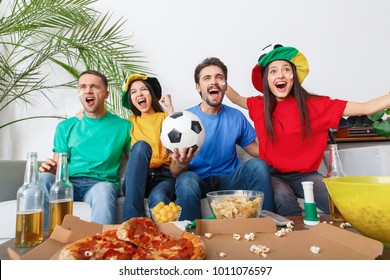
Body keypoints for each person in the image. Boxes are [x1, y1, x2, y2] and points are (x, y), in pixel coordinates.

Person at [226, 43, 390, 216]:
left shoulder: (316, 106)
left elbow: (367, 108)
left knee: (342, 206)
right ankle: (298, 239)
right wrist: (219, 82)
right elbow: (236, 98)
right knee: (282, 197)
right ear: (266, 79)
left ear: (294, 76)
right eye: (273, 71)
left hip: (306, 176)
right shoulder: (260, 105)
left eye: (286, 69)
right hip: (272, 175)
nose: (280, 75)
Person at [170, 57, 275, 221]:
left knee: (258, 165)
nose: (214, 82)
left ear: (225, 85)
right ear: (198, 87)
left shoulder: (236, 117)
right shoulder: (183, 120)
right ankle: (190, 237)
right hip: (198, 181)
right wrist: (180, 164)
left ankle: (268, 225)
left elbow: (257, 151)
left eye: (219, 77)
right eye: (207, 78)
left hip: (229, 180)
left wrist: (286, 142)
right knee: (186, 179)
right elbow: (174, 171)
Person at [39, 70, 132, 226]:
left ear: (106, 94)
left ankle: (100, 246)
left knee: (104, 189)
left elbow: (137, 161)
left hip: (99, 185)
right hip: (68, 184)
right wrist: (50, 169)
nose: (88, 90)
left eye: (94, 86)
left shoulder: (124, 126)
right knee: (43, 178)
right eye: (83, 86)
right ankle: (50, 241)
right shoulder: (65, 126)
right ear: (79, 93)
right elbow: (57, 167)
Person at [120, 74, 177, 221]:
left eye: (143, 90)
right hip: (138, 177)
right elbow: (107, 127)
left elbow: (177, 132)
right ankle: (132, 221)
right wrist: (81, 115)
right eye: (133, 92)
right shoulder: (128, 123)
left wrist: (170, 108)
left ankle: (160, 237)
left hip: (164, 176)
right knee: (140, 146)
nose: (139, 94)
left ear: (151, 94)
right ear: (131, 100)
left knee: (159, 197)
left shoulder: (165, 117)